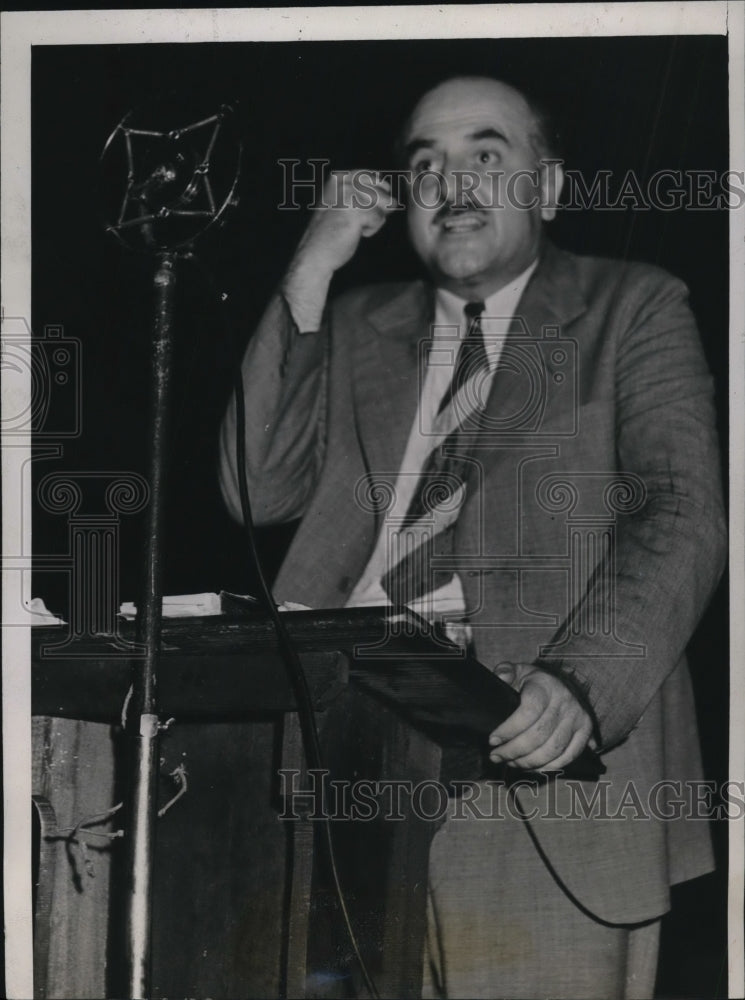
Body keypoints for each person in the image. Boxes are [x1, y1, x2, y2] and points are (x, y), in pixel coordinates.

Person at [219, 76, 726, 998]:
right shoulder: (354, 327)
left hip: (532, 762)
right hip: (341, 759)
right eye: (424, 164)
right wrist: (309, 269)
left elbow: (681, 510)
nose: (450, 184)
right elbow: (255, 489)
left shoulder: (634, 306)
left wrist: (580, 682)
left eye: (485, 157)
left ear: (551, 186)